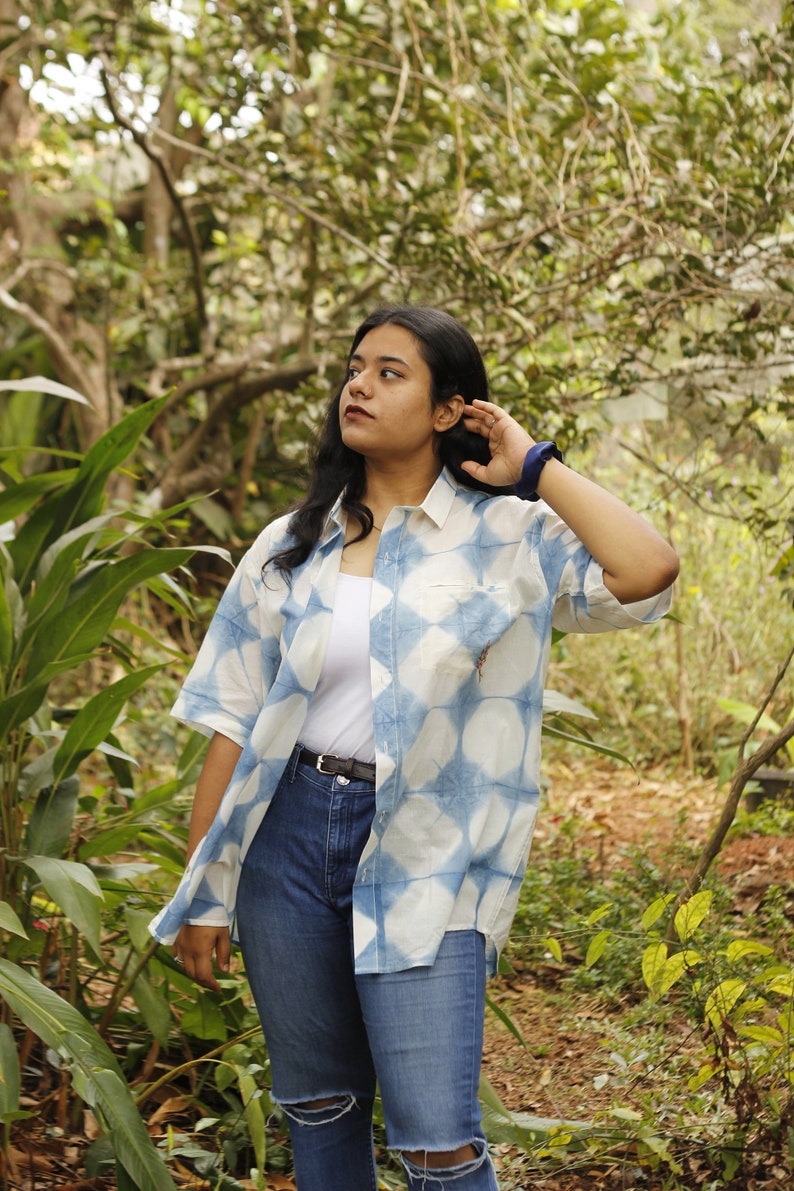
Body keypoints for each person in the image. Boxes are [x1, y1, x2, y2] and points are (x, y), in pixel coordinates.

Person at [150, 306, 679, 1191]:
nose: (358, 383)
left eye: (391, 372)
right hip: (285, 839)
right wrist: (205, 885)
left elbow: (648, 568)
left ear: (449, 411)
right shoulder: (290, 546)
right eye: (356, 367)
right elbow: (232, 721)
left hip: (431, 850)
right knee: (317, 1105)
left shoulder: (511, 539)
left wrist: (535, 466)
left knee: (437, 1140)